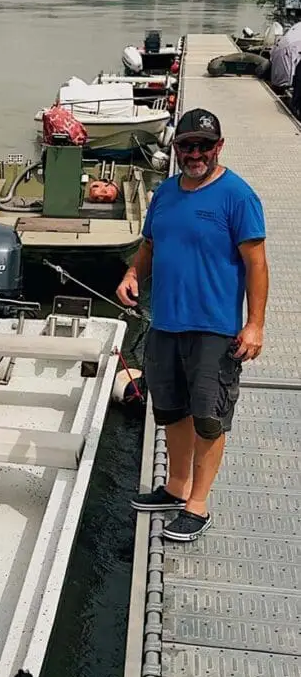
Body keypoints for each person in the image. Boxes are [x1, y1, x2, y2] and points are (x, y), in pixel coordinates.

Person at [116, 108, 268, 541]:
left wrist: (254, 325)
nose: (195, 153)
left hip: (214, 329)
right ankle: (176, 487)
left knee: (208, 417)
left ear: (219, 147)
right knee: (172, 411)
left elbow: (256, 264)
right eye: (187, 146)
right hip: (165, 323)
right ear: (177, 148)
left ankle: (197, 505)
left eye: (204, 145)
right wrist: (132, 274)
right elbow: (150, 244)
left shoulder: (238, 196)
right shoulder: (165, 193)